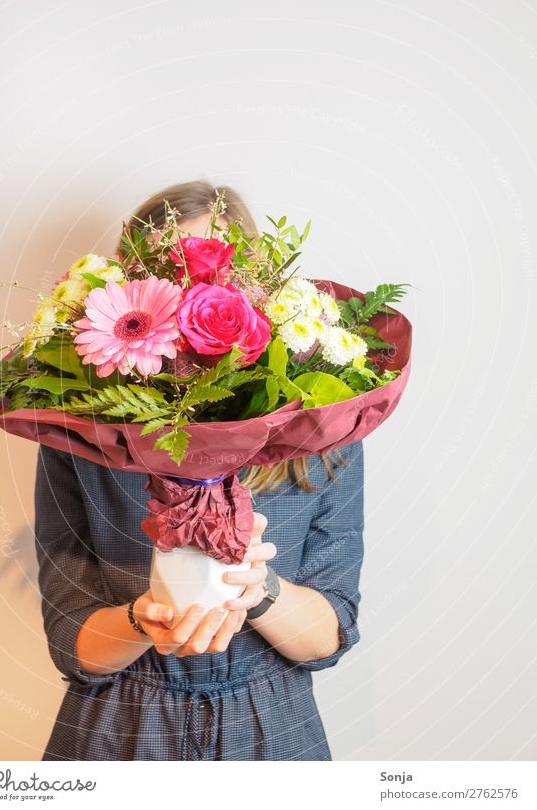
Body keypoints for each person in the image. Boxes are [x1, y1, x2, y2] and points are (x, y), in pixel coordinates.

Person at [34, 180, 365, 761]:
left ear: (252, 297)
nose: (191, 302)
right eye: (171, 280)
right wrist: (145, 618)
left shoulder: (324, 437)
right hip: (118, 731)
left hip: (272, 730)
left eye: (212, 280)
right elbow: (72, 641)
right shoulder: (76, 434)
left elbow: (327, 637)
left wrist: (254, 591)